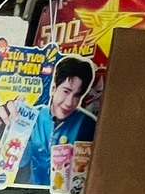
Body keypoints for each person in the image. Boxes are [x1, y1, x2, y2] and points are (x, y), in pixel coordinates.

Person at [11, 55, 96, 186]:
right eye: (66, 91)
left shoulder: (88, 125)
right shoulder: (32, 116)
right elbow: (19, 161)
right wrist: (14, 130)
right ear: (53, 88)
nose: (69, 103)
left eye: (76, 96)